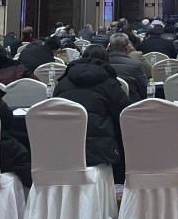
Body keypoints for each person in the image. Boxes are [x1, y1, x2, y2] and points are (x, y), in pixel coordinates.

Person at [54, 45, 132, 181]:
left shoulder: (63, 82)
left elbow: (53, 108)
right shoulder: (108, 82)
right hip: (99, 150)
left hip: (64, 146)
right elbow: (126, 113)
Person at [107, 34, 148, 102]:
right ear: (127, 48)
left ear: (109, 47)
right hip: (131, 104)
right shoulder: (136, 65)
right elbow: (144, 89)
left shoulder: (101, 64)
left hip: (107, 103)